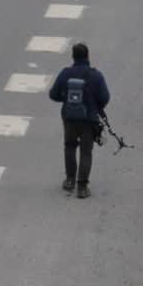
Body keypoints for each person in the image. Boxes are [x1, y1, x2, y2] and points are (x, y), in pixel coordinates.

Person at [48, 43, 111, 198]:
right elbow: (105, 97)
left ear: (73, 56)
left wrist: (66, 99)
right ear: (87, 56)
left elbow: (53, 94)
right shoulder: (96, 75)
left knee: (69, 146)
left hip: (69, 118)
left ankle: (70, 180)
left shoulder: (65, 73)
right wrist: (94, 107)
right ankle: (82, 187)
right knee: (86, 152)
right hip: (88, 120)